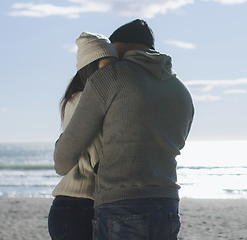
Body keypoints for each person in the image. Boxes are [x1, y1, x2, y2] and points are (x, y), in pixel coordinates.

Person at [53, 19, 194, 239]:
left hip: (121, 204)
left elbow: (63, 160)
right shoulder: (181, 89)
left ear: (120, 45)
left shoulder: (111, 77)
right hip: (168, 205)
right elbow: (179, 141)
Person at [48, 32, 118, 240]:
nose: (114, 71)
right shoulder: (84, 102)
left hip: (73, 206)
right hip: (79, 206)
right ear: (91, 67)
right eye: (107, 64)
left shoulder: (76, 99)